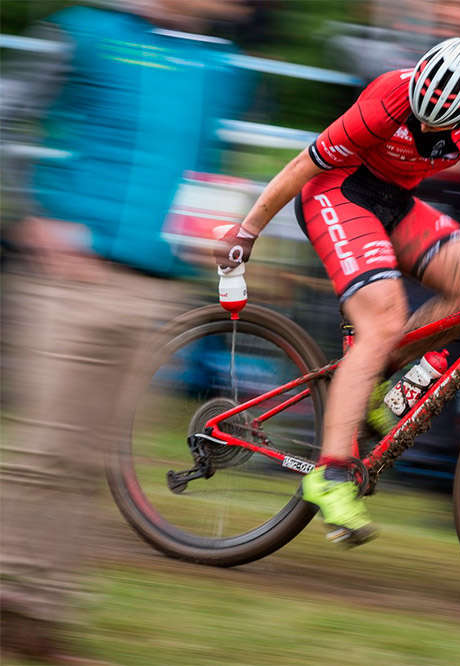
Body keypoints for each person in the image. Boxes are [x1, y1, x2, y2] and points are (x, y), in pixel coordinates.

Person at [214, 37, 460, 546]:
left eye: (440, 123)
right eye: (421, 117)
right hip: (338, 195)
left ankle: (378, 379)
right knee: (382, 321)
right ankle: (331, 474)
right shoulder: (387, 98)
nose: (427, 129)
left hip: (394, 200)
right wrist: (246, 232)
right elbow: (304, 166)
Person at [0, 1, 250, 662]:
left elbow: (209, 168)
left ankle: (38, 622)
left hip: (155, 291)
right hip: (66, 280)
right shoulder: (83, 31)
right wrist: (30, 213)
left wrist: (211, 240)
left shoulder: (220, 64)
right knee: (43, 453)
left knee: (86, 463)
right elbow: (7, 112)